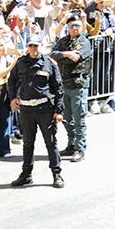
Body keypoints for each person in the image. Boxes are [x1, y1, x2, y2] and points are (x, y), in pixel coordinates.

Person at [7, 34, 64, 188]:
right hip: (26, 109)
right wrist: (13, 98)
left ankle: (56, 173)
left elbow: (58, 88)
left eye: (36, 46)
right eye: (31, 45)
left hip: (44, 108)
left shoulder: (49, 64)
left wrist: (59, 111)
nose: (33, 49)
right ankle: (26, 174)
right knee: (27, 144)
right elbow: (11, 81)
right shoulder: (20, 63)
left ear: (41, 46)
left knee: (50, 143)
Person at [49, 14, 91, 163]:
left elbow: (76, 58)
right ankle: (71, 144)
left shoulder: (84, 42)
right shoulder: (63, 41)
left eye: (77, 25)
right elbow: (52, 54)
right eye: (72, 26)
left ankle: (80, 148)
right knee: (66, 117)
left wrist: (62, 57)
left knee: (79, 117)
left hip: (78, 84)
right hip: (64, 85)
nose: (74, 28)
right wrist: (65, 53)